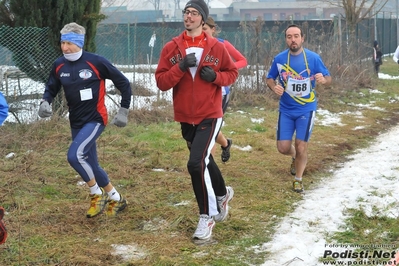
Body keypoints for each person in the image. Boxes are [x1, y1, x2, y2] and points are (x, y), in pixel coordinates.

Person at [155, 0, 238, 240]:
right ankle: (222, 195)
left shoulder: (215, 47)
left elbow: (232, 73)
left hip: (210, 114)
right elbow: (161, 82)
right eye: (186, 12)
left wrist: (216, 77)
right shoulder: (172, 47)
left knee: (194, 164)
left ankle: (207, 216)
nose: (188, 17)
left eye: (193, 13)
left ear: (203, 19)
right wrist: (180, 67)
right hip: (185, 116)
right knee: (203, 159)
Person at [38, 22, 131, 217]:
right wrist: (45, 102)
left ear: (79, 43)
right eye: (62, 43)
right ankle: (115, 197)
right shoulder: (59, 65)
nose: (65, 47)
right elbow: (51, 87)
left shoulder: (95, 62)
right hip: (76, 121)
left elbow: (123, 82)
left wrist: (123, 110)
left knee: (74, 156)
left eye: (69, 43)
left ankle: (95, 193)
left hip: (95, 119)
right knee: (91, 164)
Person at [265, 24, 332, 193]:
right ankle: (294, 156)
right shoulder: (280, 59)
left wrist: (323, 80)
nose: (293, 39)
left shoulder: (313, 58)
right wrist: (274, 87)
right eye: (289, 36)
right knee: (283, 148)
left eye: (296, 36)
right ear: (286, 39)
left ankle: (298, 179)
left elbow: (328, 77)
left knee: (302, 145)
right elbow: (269, 78)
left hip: (306, 109)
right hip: (286, 110)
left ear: (302, 38)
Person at [202, 16, 247, 163]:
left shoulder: (222, 44)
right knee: (206, 128)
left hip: (220, 93)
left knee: (209, 130)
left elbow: (242, 60)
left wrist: (223, 72)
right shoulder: (194, 45)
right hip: (201, 94)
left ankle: (208, 167)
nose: (201, 32)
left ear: (213, 30)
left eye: (205, 29)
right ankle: (226, 143)